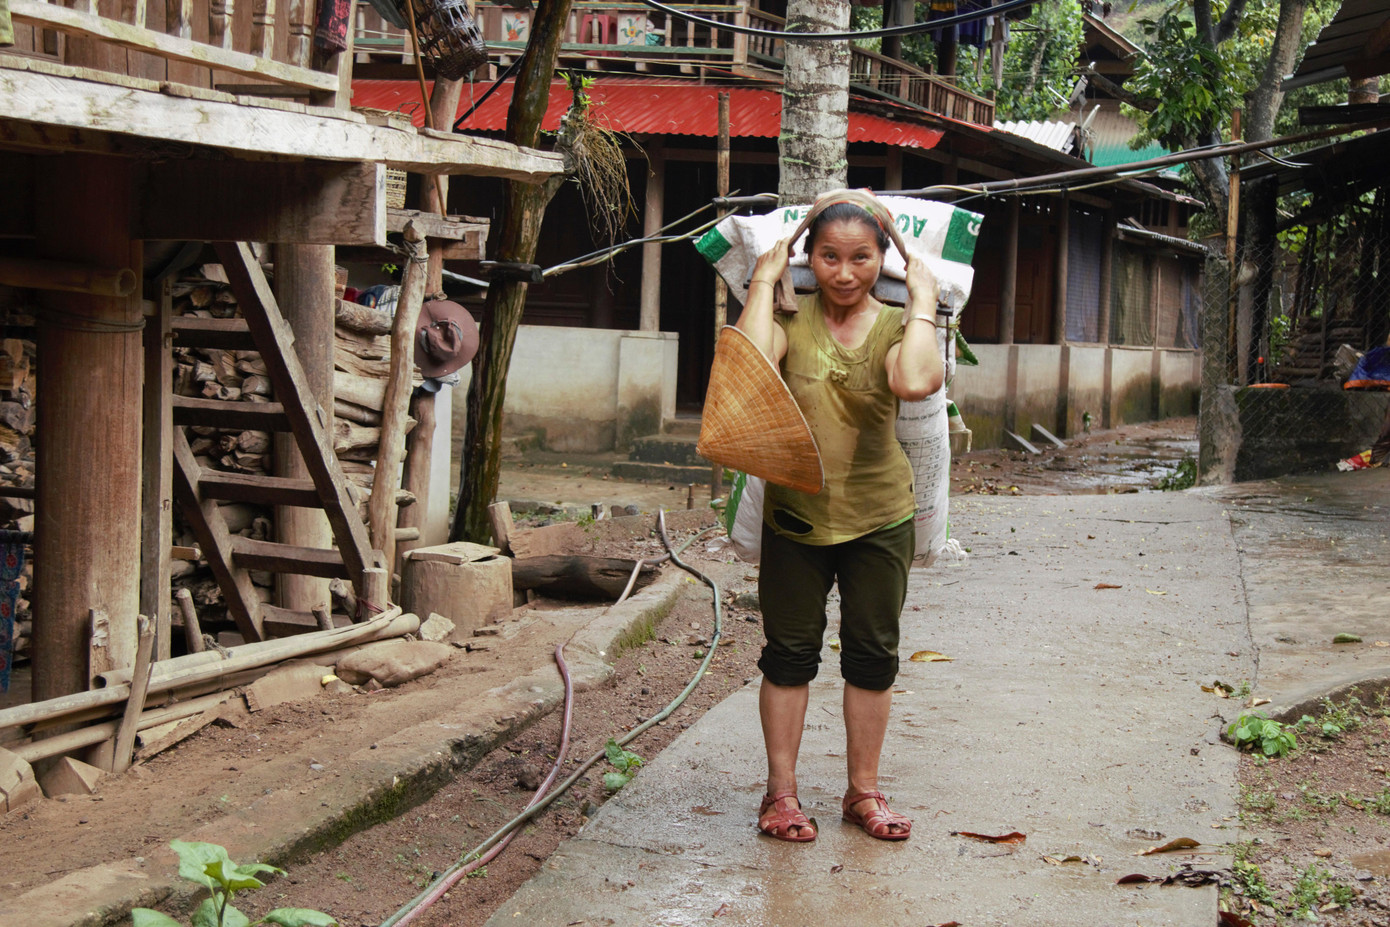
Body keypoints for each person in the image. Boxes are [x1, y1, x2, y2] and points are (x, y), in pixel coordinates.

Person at [737, 190, 943, 842]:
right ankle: (781, 795)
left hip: (879, 518)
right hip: (794, 516)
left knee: (872, 656)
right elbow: (746, 367)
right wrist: (766, 277)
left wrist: (924, 300)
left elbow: (915, 381)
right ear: (810, 256)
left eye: (861, 257)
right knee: (788, 654)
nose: (845, 272)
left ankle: (864, 791)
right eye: (829, 256)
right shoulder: (786, 321)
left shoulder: (895, 327)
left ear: (883, 258)